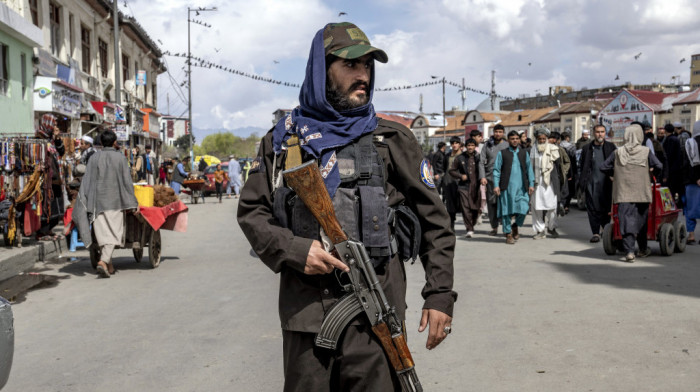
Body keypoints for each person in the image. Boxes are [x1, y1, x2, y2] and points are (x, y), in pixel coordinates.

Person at [236, 22, 456, 391]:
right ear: (322, 72)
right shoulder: (283, 142)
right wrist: (295, 249)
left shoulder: (390, 140)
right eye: (350, 66)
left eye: (367, 66)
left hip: (377, 316)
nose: (363, 76)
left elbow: (436, 221)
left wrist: (440, 295)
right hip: (306, 319)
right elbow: (251, 213)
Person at [73, 130, 138, 278]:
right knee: (114, 235)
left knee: (103, 235)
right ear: (115, 142)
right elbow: (127, 183)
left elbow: (87, 180)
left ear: (101, 143)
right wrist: (133, 202)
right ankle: (103, 261)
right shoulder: (121, 158)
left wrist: (85, 198)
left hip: (97, 203)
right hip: (115, 202)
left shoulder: (94, 158)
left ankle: (109, 265)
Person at [600, 124, 663, 262]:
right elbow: (659, 166)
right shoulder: (646, 151)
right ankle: (642, 249)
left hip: (623, 194)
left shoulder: (618, 152)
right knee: (641, 221)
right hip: (642, 192)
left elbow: (603, 166)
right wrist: (651, 174)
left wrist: (613, 175)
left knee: (626, 221)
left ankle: (629, 252)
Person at [493, 131, 534, 244]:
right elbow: (496, 170)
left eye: (517, 138)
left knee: (524, 209)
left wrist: (531, 183)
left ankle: (515, 225)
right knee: (506, 212)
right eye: (512, 138)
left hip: (522, 188)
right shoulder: (502, 153)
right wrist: (496, 185)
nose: (515, 140)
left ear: (519, 140)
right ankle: (508, 234)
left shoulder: (523, 153)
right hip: (506, 187)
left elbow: (529, 169)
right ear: (508, 140)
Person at [578, 124, 616, 242]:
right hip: (591, 183)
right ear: (593, 133)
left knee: (605, 208)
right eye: (598, 132)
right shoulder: (587, 148)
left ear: (605, 133)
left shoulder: (611, 147)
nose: (600, 134)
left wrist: (613, 176)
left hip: (607, 183)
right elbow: (581, 165)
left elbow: (616, 164)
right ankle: (595, 233)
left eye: (602, 132)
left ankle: (605, 230)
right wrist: (583, 180)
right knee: (592, 208)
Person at [35, 114, 66, 241]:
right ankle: (42, 231)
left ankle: (49, 229)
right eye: (53, 124)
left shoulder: (52, 139)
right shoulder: (39, 138)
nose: (55, 127)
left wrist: (58, 138)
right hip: (46, 179)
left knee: (57, 206)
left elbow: (61, 152)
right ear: (47, 124)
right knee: (47, 205)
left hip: (55, 179)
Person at [530, 128, 565, 239]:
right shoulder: (532, 150)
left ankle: (551, 228)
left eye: (544, 139)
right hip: (536, 183)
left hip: (550, 182)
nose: (541, 140)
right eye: (539, 139)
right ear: (536, 139)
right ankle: (540, 231)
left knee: (553, 206)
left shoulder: (554, 149)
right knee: (537, 207)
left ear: (547, 139)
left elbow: (559, 168)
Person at [449, 138, 484, 237]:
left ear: (475, 146)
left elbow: (484, 169)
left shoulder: (479, 157)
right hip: (463, 187)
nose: (470, 147)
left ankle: (471, 224)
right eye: (468, 145)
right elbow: (451, 171)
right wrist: (460, 176)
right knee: (465, 208)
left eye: (472, 145)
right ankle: (469, 229)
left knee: (476, 209)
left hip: (476, 187)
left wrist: (483, 179)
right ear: (465, 147)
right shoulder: (460, 158)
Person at [480, 124, 510, 235]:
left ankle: (506, 228)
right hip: (490, 179)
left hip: (504, 179)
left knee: (505, 203)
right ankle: (494, 227)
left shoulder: (507, 145)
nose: (498, 134)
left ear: (503, 133)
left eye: (500, 132)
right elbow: (481, 162)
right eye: (496, 131)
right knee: (491, 204)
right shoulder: (487, 146)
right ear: (493, 132)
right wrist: (483, 176)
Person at [683, 121, 700, 244]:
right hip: (694, 180)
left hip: (691, 181)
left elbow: (685, 164)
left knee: (691, 209)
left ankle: (691, 235)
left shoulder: (689, 143)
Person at [443, 136, 463, 228]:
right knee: (450, 203)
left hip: (460, 181)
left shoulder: (463, 156)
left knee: (460, 202)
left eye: (456, 143)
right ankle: (452, 224)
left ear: (459, 144)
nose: (454, 145)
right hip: (448, 180)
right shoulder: (447, 156)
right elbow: (444, 168)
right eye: (452, 143)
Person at [560, 131, 578, 213]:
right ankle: (566, 205)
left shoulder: (558, 146)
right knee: (569, 189)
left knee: (561, 188)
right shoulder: (571, 147)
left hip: (560, 170)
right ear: (567, 138)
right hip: (570, 171)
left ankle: (561, 204)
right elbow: (573, 160)